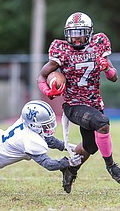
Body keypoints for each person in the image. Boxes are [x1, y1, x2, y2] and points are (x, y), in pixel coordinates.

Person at [37, 12, 120, 193]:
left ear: (89, 33)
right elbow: (42, 76)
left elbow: (114, 77)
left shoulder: (98, 46)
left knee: (90, 145)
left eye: (80, 33)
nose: (75, 38)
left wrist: (106, 68)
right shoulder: (62, 50)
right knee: (102, 124)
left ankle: (70, 169)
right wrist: (48, 91)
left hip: (94, 104)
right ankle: (112, 167)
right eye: (72, 33)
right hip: (73, 105)